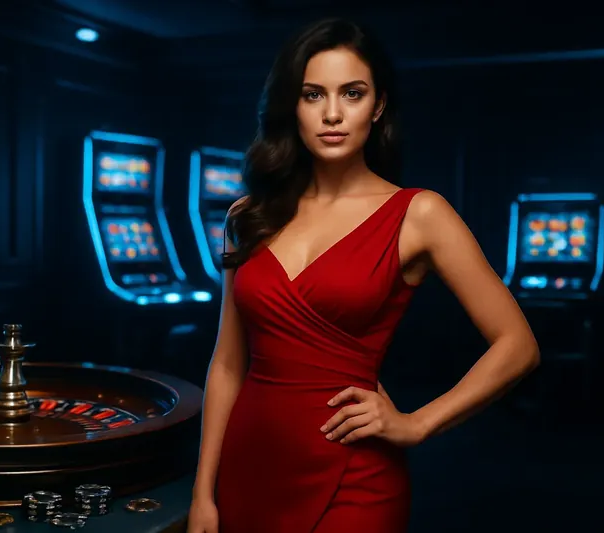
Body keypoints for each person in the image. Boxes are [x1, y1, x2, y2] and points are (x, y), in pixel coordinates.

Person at [187, 18, 540, 533]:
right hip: (248, 466)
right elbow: (226, 365)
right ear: (293, 106)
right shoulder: (247, 216)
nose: (332, 113)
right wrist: (203, 493)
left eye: (352, 93)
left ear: (376, 106)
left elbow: (518, 345)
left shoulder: (419, 213)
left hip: (354, 474)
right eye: (313, 95)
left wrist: (416, 424)